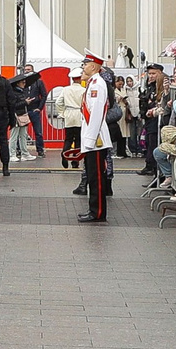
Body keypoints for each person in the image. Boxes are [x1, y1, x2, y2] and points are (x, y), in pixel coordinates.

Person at [75, 54, 113, 223]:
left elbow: (96, 114)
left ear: (93, 66)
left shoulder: (98, 84)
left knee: (96, 176)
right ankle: (93, 209)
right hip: (93, 136)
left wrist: (90, 140)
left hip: (96, 138)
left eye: (86, 64)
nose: (83, 67)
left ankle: (97, 212)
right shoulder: (92, 83)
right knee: (92, 176)